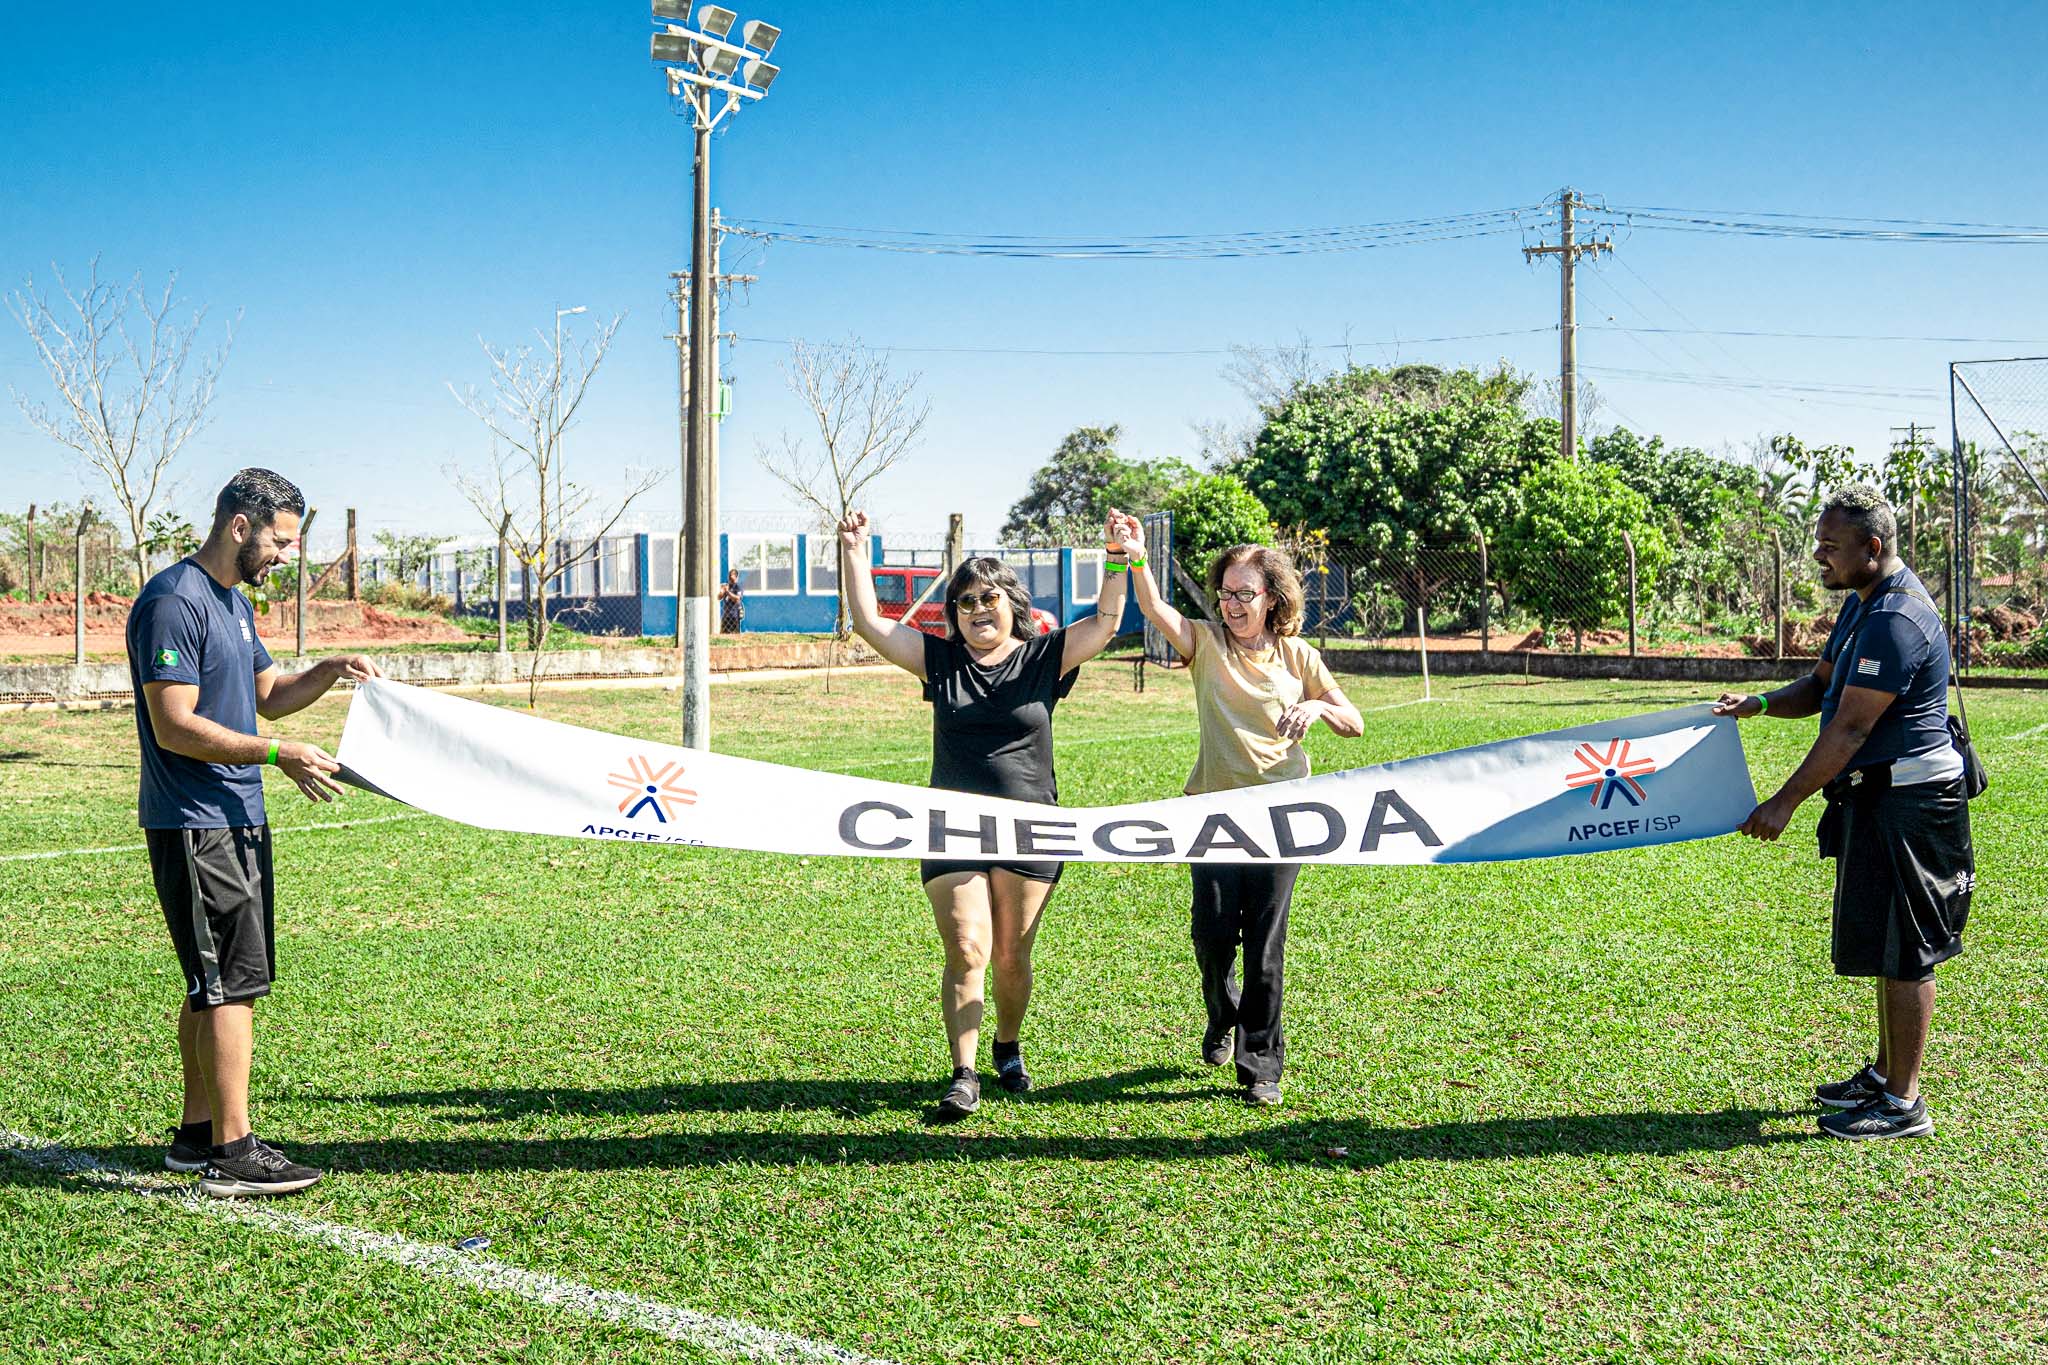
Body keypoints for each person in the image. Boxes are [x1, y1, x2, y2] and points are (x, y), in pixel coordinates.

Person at [129, 468, 383, 1196]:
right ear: (240, 526)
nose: (286, 556)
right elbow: (174, 725)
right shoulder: (173, 601)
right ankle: (233, 1151)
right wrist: (278, 755)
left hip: (237, 816)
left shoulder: (234, 604)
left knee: (212, 981)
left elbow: (267, 695)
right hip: (196, 821)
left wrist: (328, 669)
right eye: (281, 540)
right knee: (228, 985)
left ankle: (196, 1135)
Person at [838, 511, 1130, 1119]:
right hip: (951, 826)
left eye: (988, 597)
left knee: (1011, 957)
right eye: (965, 601)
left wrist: (1116, 555)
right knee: (969, 947)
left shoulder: (1045, 658)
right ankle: (964, 1073)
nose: (977, 609)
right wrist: (855, 550)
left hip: (1031, 828)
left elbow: (1106, 622)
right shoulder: (941, 661)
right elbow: (869, 622)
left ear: (1010, 603)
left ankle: (1007, 1045)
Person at [1711, 483, 1972, 1141]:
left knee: (1908, 949)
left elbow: (1851, 728)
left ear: (1872, 547)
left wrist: (1784, 802)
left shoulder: (1897, 618)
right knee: (1886, 941)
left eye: (1830, 546)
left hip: (1913, 801)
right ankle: (1884, 1075)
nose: (1818, 557)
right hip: (1876, 795)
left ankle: (1903, 1103)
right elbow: (1820, 687)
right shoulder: (1863, 604)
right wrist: (1759, 704)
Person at [1110, 512, 1363, 1106]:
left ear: (1272, 597)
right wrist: (1137, 555)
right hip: (1213, 815)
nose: (1231, 604)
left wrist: (1320, 708)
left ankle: (1260, 1065)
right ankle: (1221, 1013)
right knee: (1213, 935)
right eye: (1225, 593)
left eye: (1244, 594)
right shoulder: (1206, 643)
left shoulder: (1298, 656)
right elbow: (1155, 609)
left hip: (1281, 816)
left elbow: (1354, 722)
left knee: (1266, 945)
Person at [717, 568, 745, 634]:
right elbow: (719, 597)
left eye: (732, 575)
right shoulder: (726, 586)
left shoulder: (738, 587)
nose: (730, 576)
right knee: (723, 633)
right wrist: (722, 591)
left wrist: (727, 592)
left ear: (736, 577)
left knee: (734, 634)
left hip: (734, 614)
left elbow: (737, 598)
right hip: (726, 614)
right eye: (729, 575)